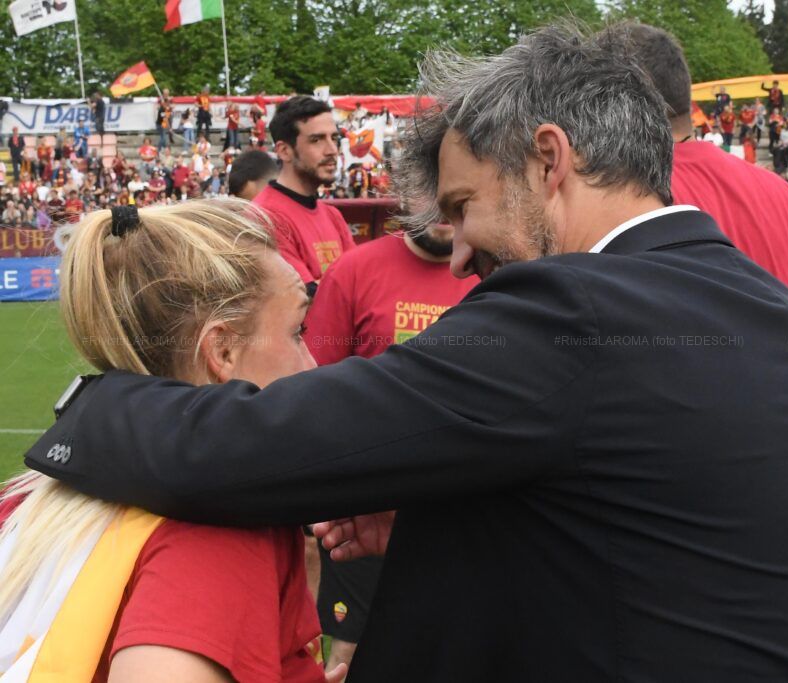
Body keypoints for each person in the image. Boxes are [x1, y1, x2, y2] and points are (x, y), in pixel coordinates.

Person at [25, 23, 788, 683]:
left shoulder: (576, 306)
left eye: (464, 205)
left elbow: (263, 443)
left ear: (550, 161)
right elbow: (654, 551)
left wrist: (87, 407)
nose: (460, 251)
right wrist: (452, 523)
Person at [0, 200, 345, 682]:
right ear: (221, 350)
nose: (312, 364)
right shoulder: (220, 522)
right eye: (298, 331)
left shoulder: (26, 499)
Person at [303, 212, 479, 673]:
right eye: (433, 195)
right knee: (349, 655)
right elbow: (316, 387)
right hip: (364, 507)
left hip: (461, 513)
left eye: (457, 199)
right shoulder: (355, 270)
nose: (445, 212)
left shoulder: (494, 276)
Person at [253, 96, 356, 294]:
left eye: (334, 138)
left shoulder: (333, 216)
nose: (332, 150)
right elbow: (304, 298)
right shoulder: (264, 217)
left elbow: (360, 283)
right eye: (316, 140)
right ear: (284, 151)